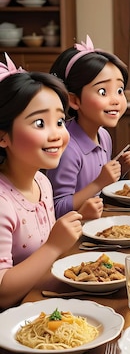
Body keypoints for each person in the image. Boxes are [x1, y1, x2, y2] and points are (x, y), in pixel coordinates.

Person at [0, 54, 83, 309]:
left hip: (45, 306)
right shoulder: (2, 203)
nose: (57, 134)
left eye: (59, 121)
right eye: (39, 123)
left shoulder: (41, 183)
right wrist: (54, 246)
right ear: (3, 137)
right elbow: (2, 294)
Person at [47, 36, 130, 219]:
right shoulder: (67, 147)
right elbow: (56, 208)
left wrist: (121, 170)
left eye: (119, 90)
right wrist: (99, 182)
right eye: (103, 91)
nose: (115, 100)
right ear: (74, 100)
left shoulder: (104, 136)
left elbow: (99, 191)